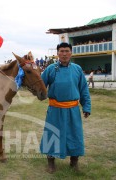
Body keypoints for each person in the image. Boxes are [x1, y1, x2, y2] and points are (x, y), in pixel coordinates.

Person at [40, 42, 91, 173]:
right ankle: (51, 163)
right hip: (55, 110)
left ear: (71, 53)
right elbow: (41, 86)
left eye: (67, 51)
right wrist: (38, 91)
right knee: (52, 134)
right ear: (57, 53)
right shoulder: (50, 69)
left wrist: (86, 106)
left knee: (75, 135)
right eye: (61, 51)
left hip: (73, 109)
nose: (64, 54)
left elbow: (84, 89)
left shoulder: (77, 69)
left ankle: (74, 163)